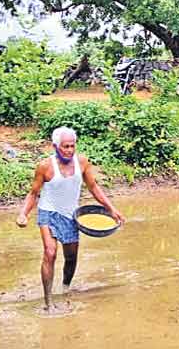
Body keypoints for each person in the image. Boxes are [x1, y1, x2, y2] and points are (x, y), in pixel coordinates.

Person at [16, 127, 126, 313]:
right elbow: (33, 193)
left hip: (71, 215)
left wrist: (111, 209)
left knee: (71, 257)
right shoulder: (45, 166)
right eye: (65, 146)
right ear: (55, 146)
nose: (69, 150)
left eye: (72, 146)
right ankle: (48, 301)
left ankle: (65, 288)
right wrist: (23, 214)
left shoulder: (82, 162)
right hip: (48, 213)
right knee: (50, 253)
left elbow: (94, 187)